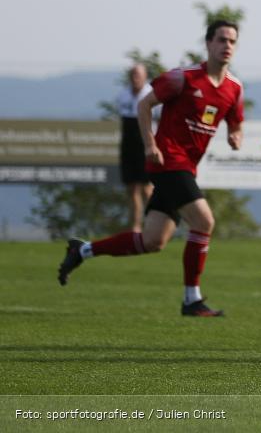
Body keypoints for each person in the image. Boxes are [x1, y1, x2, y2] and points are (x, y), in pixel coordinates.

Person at [58, 20, 245, 317]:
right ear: (208, 44)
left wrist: (235, 134)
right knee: (204, 222)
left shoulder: (234, 88)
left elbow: (235, 119)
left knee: (152, 241)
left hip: (187, 168)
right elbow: (144, 104)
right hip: (167, 160)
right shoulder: (182, 78)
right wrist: (150, 144)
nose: (227, 46)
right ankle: (191, 299)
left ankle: (82, 250)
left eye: (232, 41)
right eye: (221, 40)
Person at [116, 63, 154, 232]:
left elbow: (157, 120)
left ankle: (153, 224)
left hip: (145, 143)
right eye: (132, 74)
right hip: (128, 143)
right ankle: (135, 226)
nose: (135, 78)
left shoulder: (150, 94)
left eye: (138, 74)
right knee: (132, 188)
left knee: (147, 188)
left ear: (145, 76)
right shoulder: (123, 95)